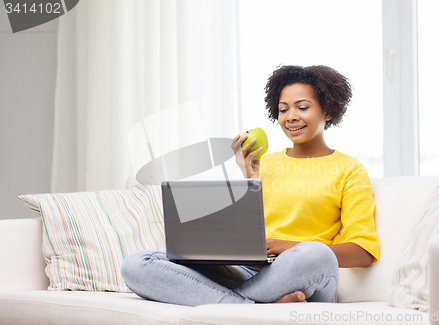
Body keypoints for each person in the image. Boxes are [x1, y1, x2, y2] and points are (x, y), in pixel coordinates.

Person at [121, 65, 379, 306]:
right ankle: (250, 307)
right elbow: (246, 232)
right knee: (137, 263)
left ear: (328, 111)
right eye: (283, 109)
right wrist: (249, 179)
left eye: (302, 107)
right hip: (247, 272)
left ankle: (236, 304)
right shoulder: (263, 163)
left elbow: (362, 253)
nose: (290, 117)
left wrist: (285, 246)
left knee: (315, 255)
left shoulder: (349, 168)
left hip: (301, 272)